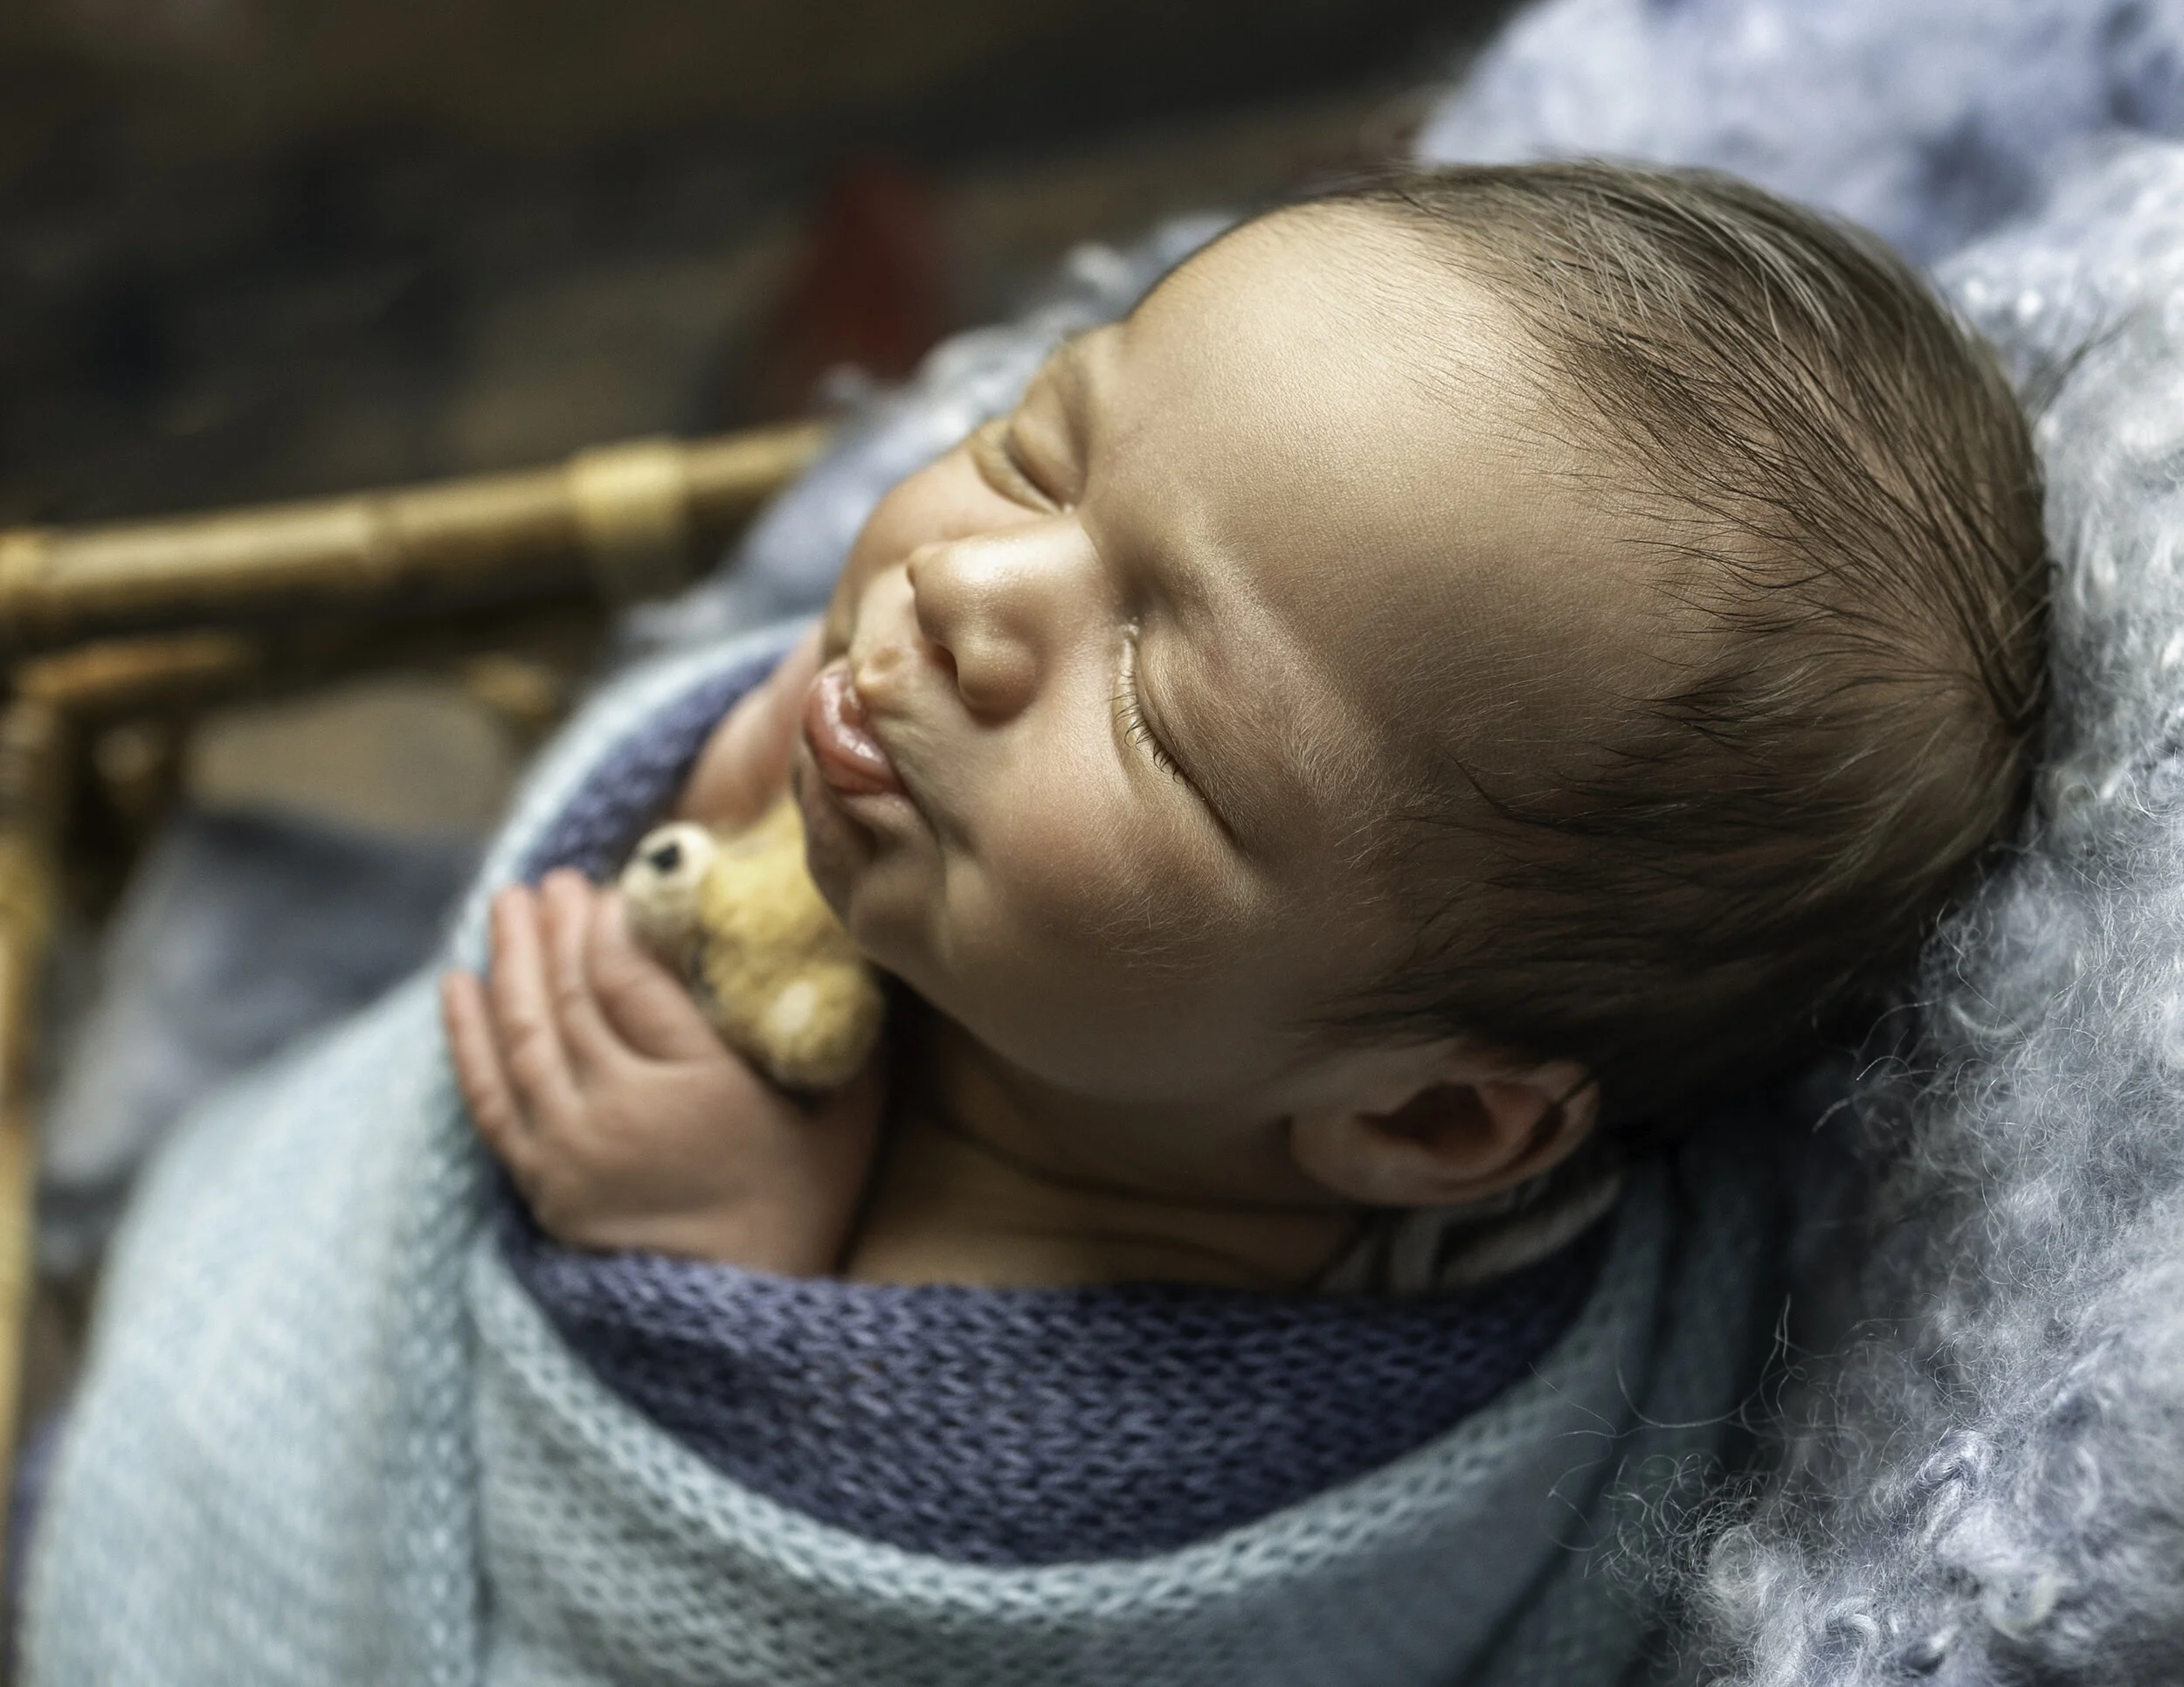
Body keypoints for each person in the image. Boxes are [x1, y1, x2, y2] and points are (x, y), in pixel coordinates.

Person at [442, 161, 2045, 1303]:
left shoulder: (1105, 1434)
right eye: (1035, 454)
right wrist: (735, 767)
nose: (961, 587)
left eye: (1157, 711)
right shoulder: (1077, 957)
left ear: (1422, 1117)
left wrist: (705, 1268)